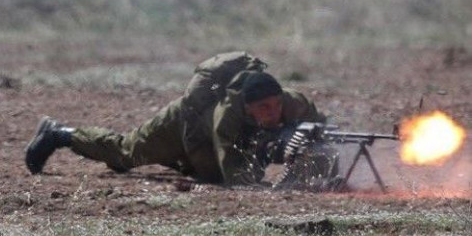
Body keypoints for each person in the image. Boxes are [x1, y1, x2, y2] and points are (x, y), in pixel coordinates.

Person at [24, 52, 336, 187]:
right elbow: (234, 176)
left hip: (206, 143)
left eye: (277, 104)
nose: (274, 112)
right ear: (247, 106)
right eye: (264, 107)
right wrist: (271, 165)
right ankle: (60, 134)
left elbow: (323, 135)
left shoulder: (295, 103)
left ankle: (172, 160)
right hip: (180, 127)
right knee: (125, 154)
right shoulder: (226, 118)